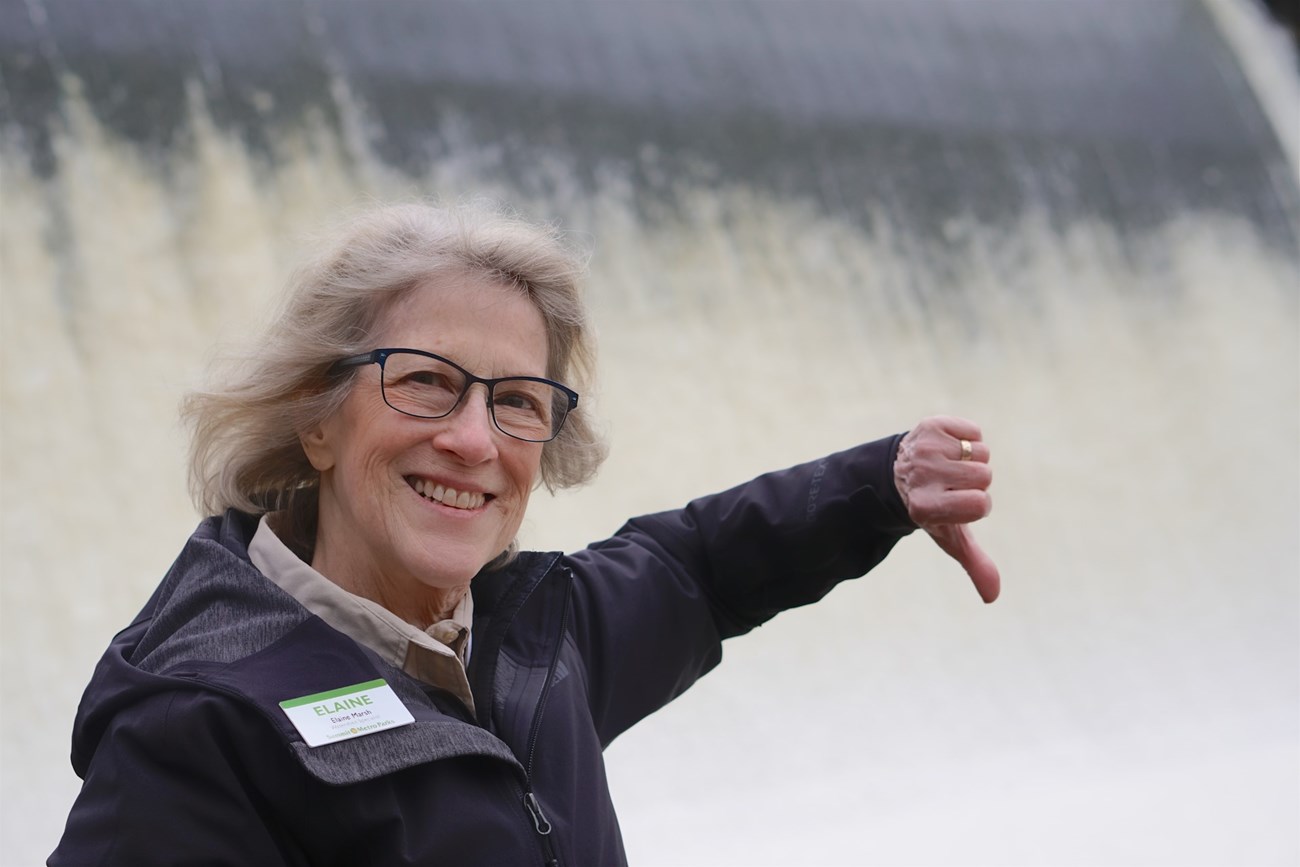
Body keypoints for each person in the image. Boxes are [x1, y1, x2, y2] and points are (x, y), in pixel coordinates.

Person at [49, 201, 998, 866]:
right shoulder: (199, 725)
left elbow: (699, 566)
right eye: (424, 379)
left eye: (516, 400)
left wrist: (886, 483)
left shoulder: (535, 640)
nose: (472, 439)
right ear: (317, 417)